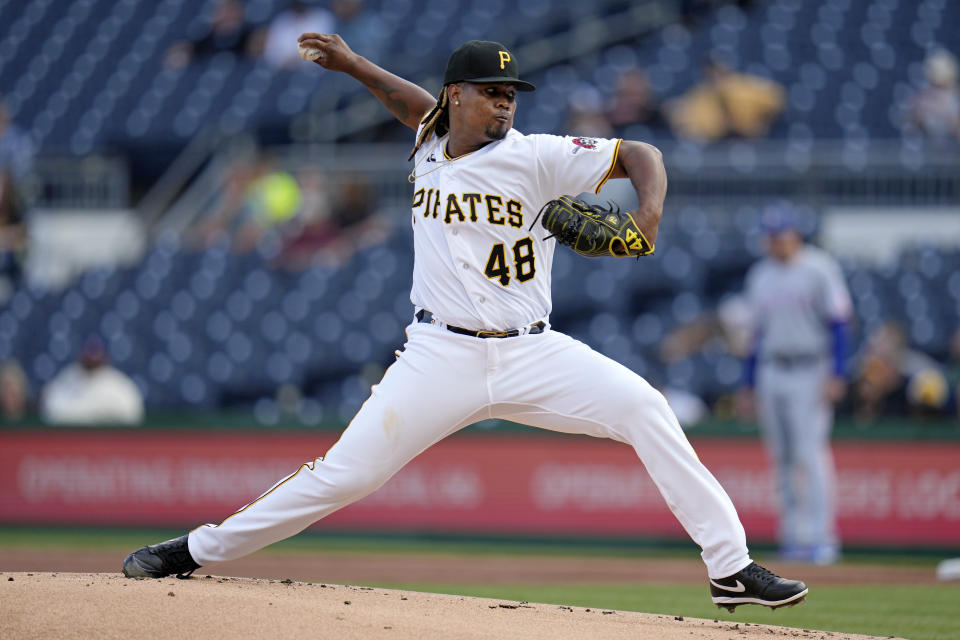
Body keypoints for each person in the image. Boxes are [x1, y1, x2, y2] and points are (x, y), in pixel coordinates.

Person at [122, 35, 808, 613]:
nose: (506, 101)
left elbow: (642, 156)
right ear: (457, 96)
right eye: (491, 90)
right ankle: (194, 549)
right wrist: (357, 66)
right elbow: (412, 105)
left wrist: (648, 215)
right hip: (438, 355)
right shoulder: (428, 141)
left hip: (533, 353)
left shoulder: (537, 154)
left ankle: (729, 567)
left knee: (646, 408)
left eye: (510, 92)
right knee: (342, 477)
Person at [737, 206, 853, 565]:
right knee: (782, 458)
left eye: (781, 234)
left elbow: (839, 323)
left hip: (810, 368)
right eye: (770, 236)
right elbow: (754, 336)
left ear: (795, 234)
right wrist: (748, 384)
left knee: (810, 454)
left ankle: (823, 538)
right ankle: (793, 537)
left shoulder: (819, 267)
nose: (775, 242)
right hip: (773, 368)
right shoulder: (760, 275)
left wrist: (837, 373)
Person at [666, 54, 785, 142]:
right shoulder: (700, 97)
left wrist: (762, 123)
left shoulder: (745, 86)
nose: (716, 77)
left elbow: (777, 98)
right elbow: (689, 126)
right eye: (711, 74)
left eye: (718, 72)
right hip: (719, 145)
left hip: (753, 140)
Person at [40, 337, 145, 425]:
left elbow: (132, 412)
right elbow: (51, 409)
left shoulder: (118, 383)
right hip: (72, 441)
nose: (92, 359)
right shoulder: (67, 378)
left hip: (110, 442)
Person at [905, 48, 960, 143]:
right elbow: (912, 125)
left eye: (940, 69)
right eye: (933, 69)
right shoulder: (922, 99)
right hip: (930, 150)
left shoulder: (956, 96)